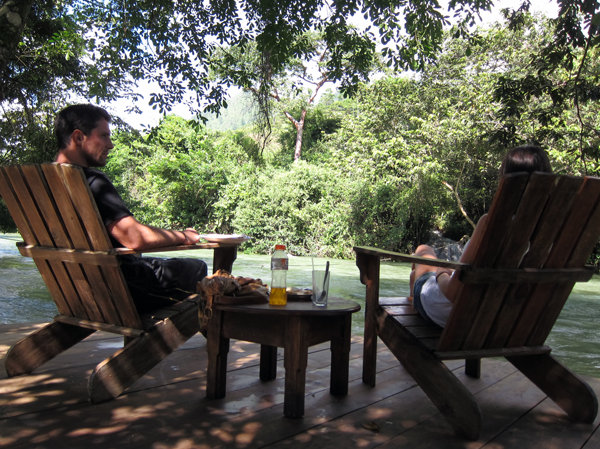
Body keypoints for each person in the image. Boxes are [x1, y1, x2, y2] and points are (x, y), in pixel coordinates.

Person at [54, 104, 208, 313]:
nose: (111, 145)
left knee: (155, 262)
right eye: (104, 136)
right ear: (79, 137)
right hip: (121, 291)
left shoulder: (45, 183)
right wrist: (184, 236)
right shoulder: (90, 181)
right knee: (196, 268)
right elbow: (135, 238)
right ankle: (214, 336)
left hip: (76, 289)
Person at [409, 145, 553, 327]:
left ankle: (413, 320)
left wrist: (442, 273)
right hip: (506, 320)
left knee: (424, 251)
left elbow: (453, 294)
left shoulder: (492, 224)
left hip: (459, 316)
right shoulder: (553, 229)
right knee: (421, 270)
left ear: (507, 181)